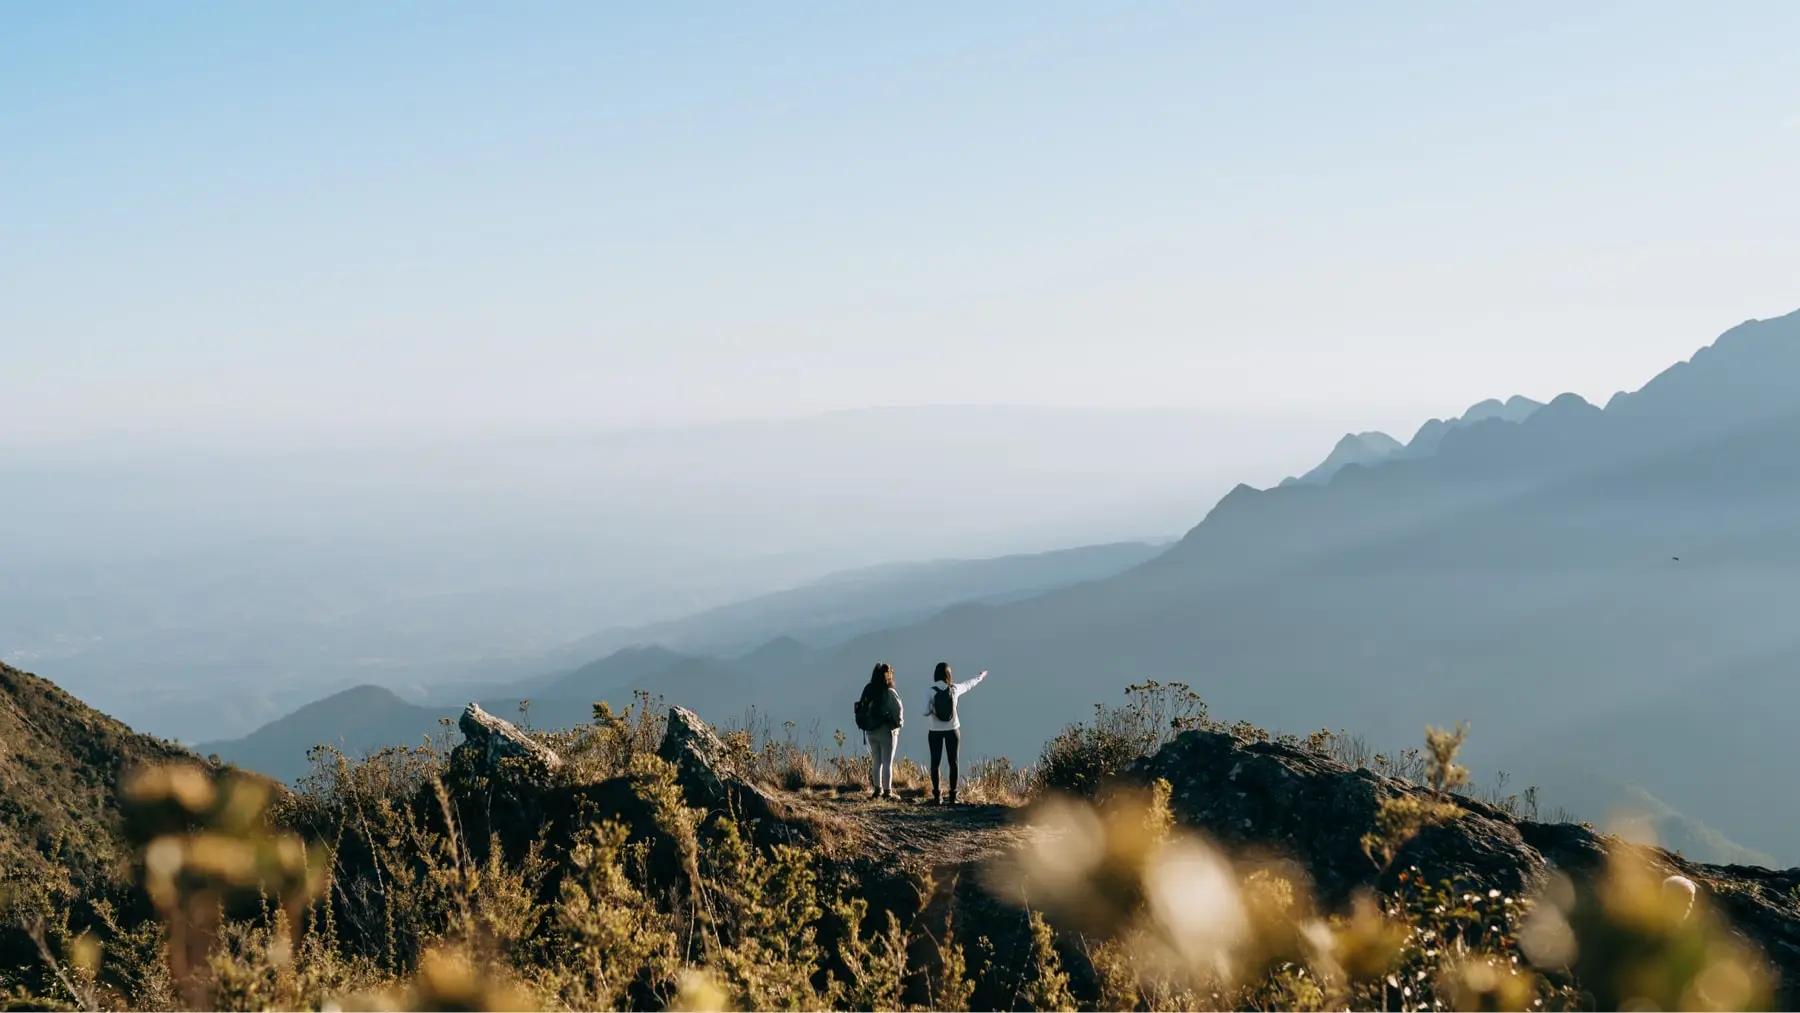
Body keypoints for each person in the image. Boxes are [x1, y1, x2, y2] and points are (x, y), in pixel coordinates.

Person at [923, 661, 987, 805]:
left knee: (935, 763)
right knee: (954, 762)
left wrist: (933, 709)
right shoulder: (955, 688)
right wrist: (980, 677)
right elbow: (969, 684)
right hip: (953, 729)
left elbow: (924, 711)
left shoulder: (929, 691)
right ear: (949, 674)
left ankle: (937, 796)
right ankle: (953, 796)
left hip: (934, 731)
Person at [858, 662, 904, 799]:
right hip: (886, 731)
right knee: (887, 762)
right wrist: (898, 725)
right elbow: (899, 710)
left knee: (876, 761)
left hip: (870, 731)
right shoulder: (889, 691)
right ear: (889, 676)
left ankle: (877, 790)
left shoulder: (869, 689)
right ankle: (888, 792)